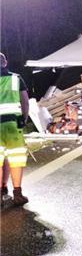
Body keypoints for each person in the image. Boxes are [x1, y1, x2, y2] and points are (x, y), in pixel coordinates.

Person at [0, 52, 30, 209]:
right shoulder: (16, 78)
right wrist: (23, 119)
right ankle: (17, 194)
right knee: (16, 159)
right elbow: (24, 101)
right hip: (12, 125)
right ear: (5, 63)